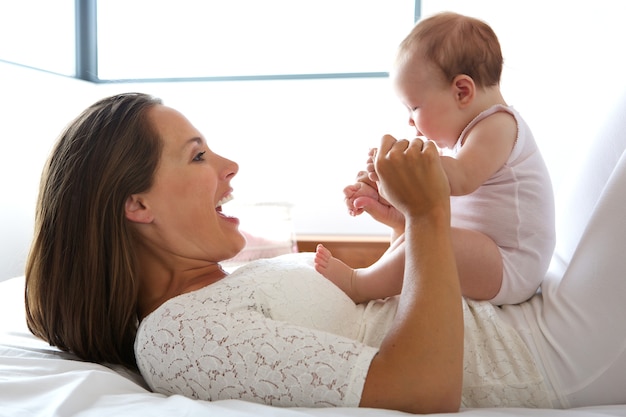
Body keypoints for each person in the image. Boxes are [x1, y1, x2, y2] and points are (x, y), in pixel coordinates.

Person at [24, 93, 626, 413]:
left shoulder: (221, 287)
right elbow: (422, 387)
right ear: (137, 205)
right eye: (199, 155)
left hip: (529, 309)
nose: (230, 167)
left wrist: (404, 229)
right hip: (546, 358)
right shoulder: (177, 338)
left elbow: (385, 312)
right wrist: (426, 214)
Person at [315, 12, 555, 305]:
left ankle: (359, 284)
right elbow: (437, 200)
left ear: (462, 91)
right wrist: (394, 199)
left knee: (436, 244)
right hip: (486, 257)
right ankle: (376, 270)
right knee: (419, 238)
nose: (410, 122)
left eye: (414, 107)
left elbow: (460, 179)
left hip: (511, 267)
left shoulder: (499, 126)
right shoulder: (463, 142)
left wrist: (400, 164)